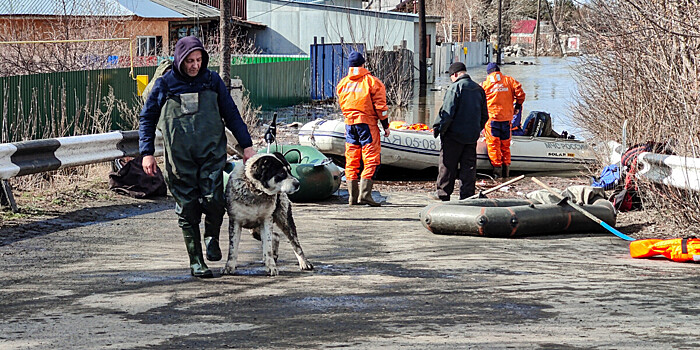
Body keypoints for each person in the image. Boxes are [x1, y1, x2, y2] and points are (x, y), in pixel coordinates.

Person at [139, 36, 256, 278]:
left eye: (198, 60)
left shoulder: (211, 82)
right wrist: (146, 153)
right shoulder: (165, 85)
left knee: (214, 199)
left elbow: (232, 114)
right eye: (190, 61)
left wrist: (247, 146)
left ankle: (212, 236)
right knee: (188, 207)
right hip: (180, 159)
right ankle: (196, 261)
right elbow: (147, 119)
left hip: (212, 154)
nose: (194, 65)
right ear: (180, 60)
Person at [336, 51, 390, 207]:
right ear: (363, 64)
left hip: (349, 124)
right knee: (371, 157)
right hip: (366, 124)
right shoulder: (372, 82)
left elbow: (343, 104)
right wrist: (385, 125)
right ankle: (365, 195)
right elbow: (381, 107)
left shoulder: (343, 83)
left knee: (352, 159)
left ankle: (352, 197)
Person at [431, 62, 489, 201]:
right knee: (468, 169)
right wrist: (476, 129)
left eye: (451, 76)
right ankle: (467, 196)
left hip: (453, 136)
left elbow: (447, 113)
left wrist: (440, 129)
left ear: (455, 74)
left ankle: (443, 194)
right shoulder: (478, 89)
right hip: (471, 137)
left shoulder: (455, 88)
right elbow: (485, 115)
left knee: (447, 166)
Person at [481, 62, 526, 178]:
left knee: (493, 145)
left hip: (493, 119)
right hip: (506, 119)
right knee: (505, 146)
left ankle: (497, 173)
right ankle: (506, 172)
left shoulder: (485, 85)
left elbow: (478, 101)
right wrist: (517, 106)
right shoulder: (509, 81)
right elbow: (520, 94)